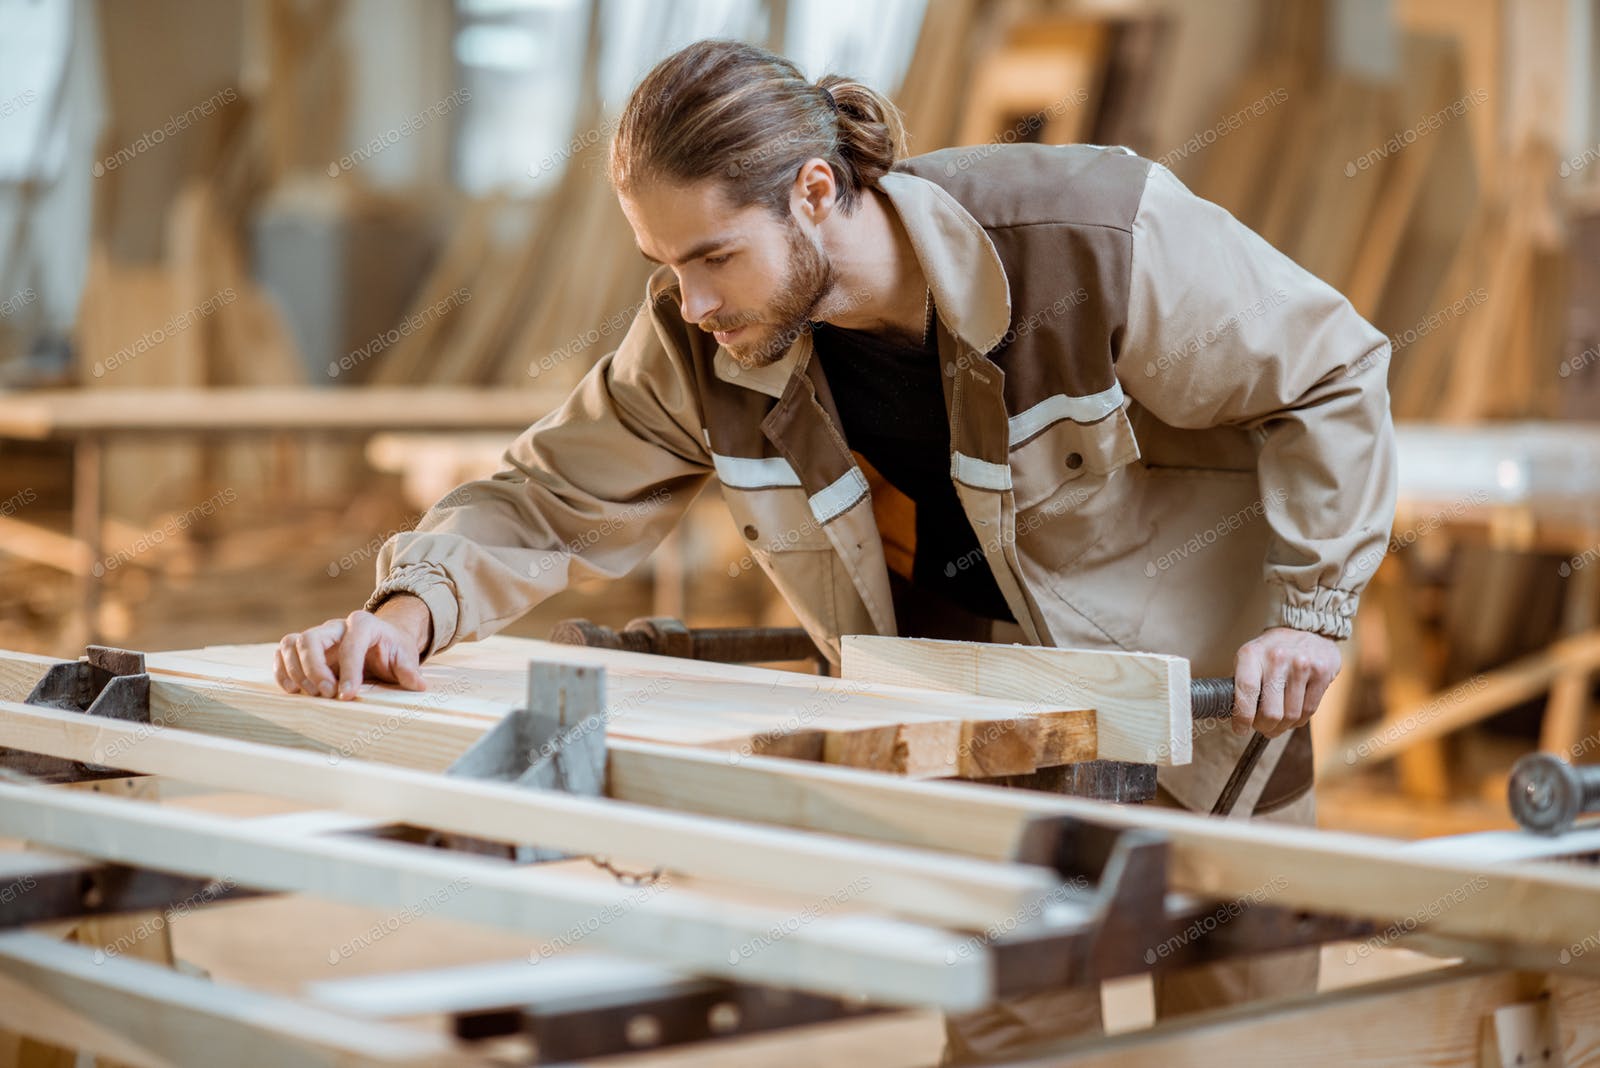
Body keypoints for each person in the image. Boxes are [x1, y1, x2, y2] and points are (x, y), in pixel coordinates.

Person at [274, 38, 1397, 1060]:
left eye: (715, 255)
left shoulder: (1088, 237)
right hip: (974, 726)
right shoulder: (698, 340)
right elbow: (547, 493)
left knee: (1237, 1030)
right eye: (665, 264)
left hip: (1201, 721)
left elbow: (1330, 376)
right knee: (1008, 1031)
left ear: (816, 191)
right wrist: (404, 613)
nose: (693, 300)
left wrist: (1311, 611)